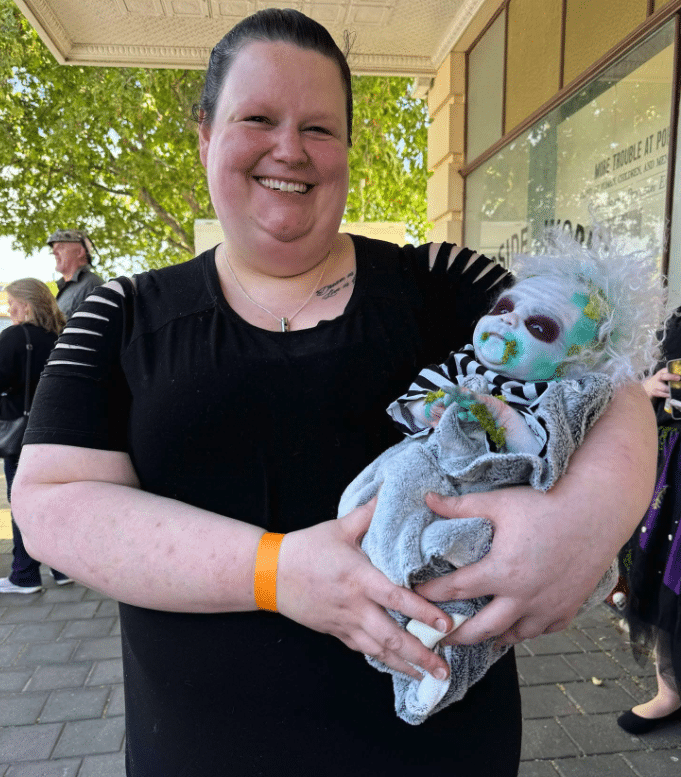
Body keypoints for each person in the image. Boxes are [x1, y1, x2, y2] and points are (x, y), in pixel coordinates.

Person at [10, 9, 656, 777]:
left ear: (346, 149)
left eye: (319, 128)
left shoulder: (444, 282)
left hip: (441, 753)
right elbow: (50, 502)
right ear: (206, 136)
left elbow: (609, 383)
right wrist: (276, 570)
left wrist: (585, 522)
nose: (290, 148)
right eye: (258, 119)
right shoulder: (121, 313)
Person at [339, 233, 662, 724]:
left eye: (539, 326)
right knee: (392, 485)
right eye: (506, 307)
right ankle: (402, 596)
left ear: (574, 360)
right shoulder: (462, 363)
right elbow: (410, 407)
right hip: (427, 482)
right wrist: (432, 410)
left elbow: (545, 451)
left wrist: (501, 417)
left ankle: (438, 663)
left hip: (493, 502)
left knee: (463, 578)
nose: (509, 320)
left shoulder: (561, 393)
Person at [617, 309, 681, 734]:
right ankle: (670, 692)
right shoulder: (677, 320)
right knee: (661, 579)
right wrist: (648, 387)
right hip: (669, 476)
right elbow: (635, 381)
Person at [0, 279, 71, 593]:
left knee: (22, 502)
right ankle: (62, 568)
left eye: (11, 304)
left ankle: (25, 575)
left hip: (22, 435)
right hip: (59, 431)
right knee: (52, 501)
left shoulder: (14, 337)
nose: (9, 310)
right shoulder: (63, 335)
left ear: (26, 306)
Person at [47, 228, 104, 318]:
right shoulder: (65, 290)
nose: (54, 252)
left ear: (80, 252)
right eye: (53, 249)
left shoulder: (92, 285)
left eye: (61, 247)